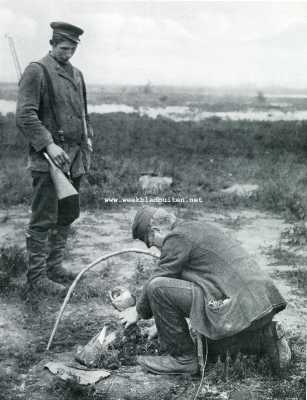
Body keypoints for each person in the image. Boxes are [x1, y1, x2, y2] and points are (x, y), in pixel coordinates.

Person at [120, 206, 291, 375]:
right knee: (208, 346)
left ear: (156, 230)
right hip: (259, 305)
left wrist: (137, 311)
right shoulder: (195, 227)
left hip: (242, 306)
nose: (153, 248)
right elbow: (185, 280)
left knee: (156, 287)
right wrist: (165, 323)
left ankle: (182, 359)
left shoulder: (176, 237)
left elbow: (160, 279)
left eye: (149, 242)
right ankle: (266, 336)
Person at [16, 22, 93, 297]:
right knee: (43, 217)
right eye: (63, 48)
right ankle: (37, 277)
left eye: (72, 48)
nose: (68, 53)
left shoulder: (78, 74)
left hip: (74, 158)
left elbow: (82, 114)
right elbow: (25, 115)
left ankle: (55, 267)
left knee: (68, 213)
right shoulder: (37, 70)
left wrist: (87, 142)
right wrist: (48, 144)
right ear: (52, 44)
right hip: (48, 160)